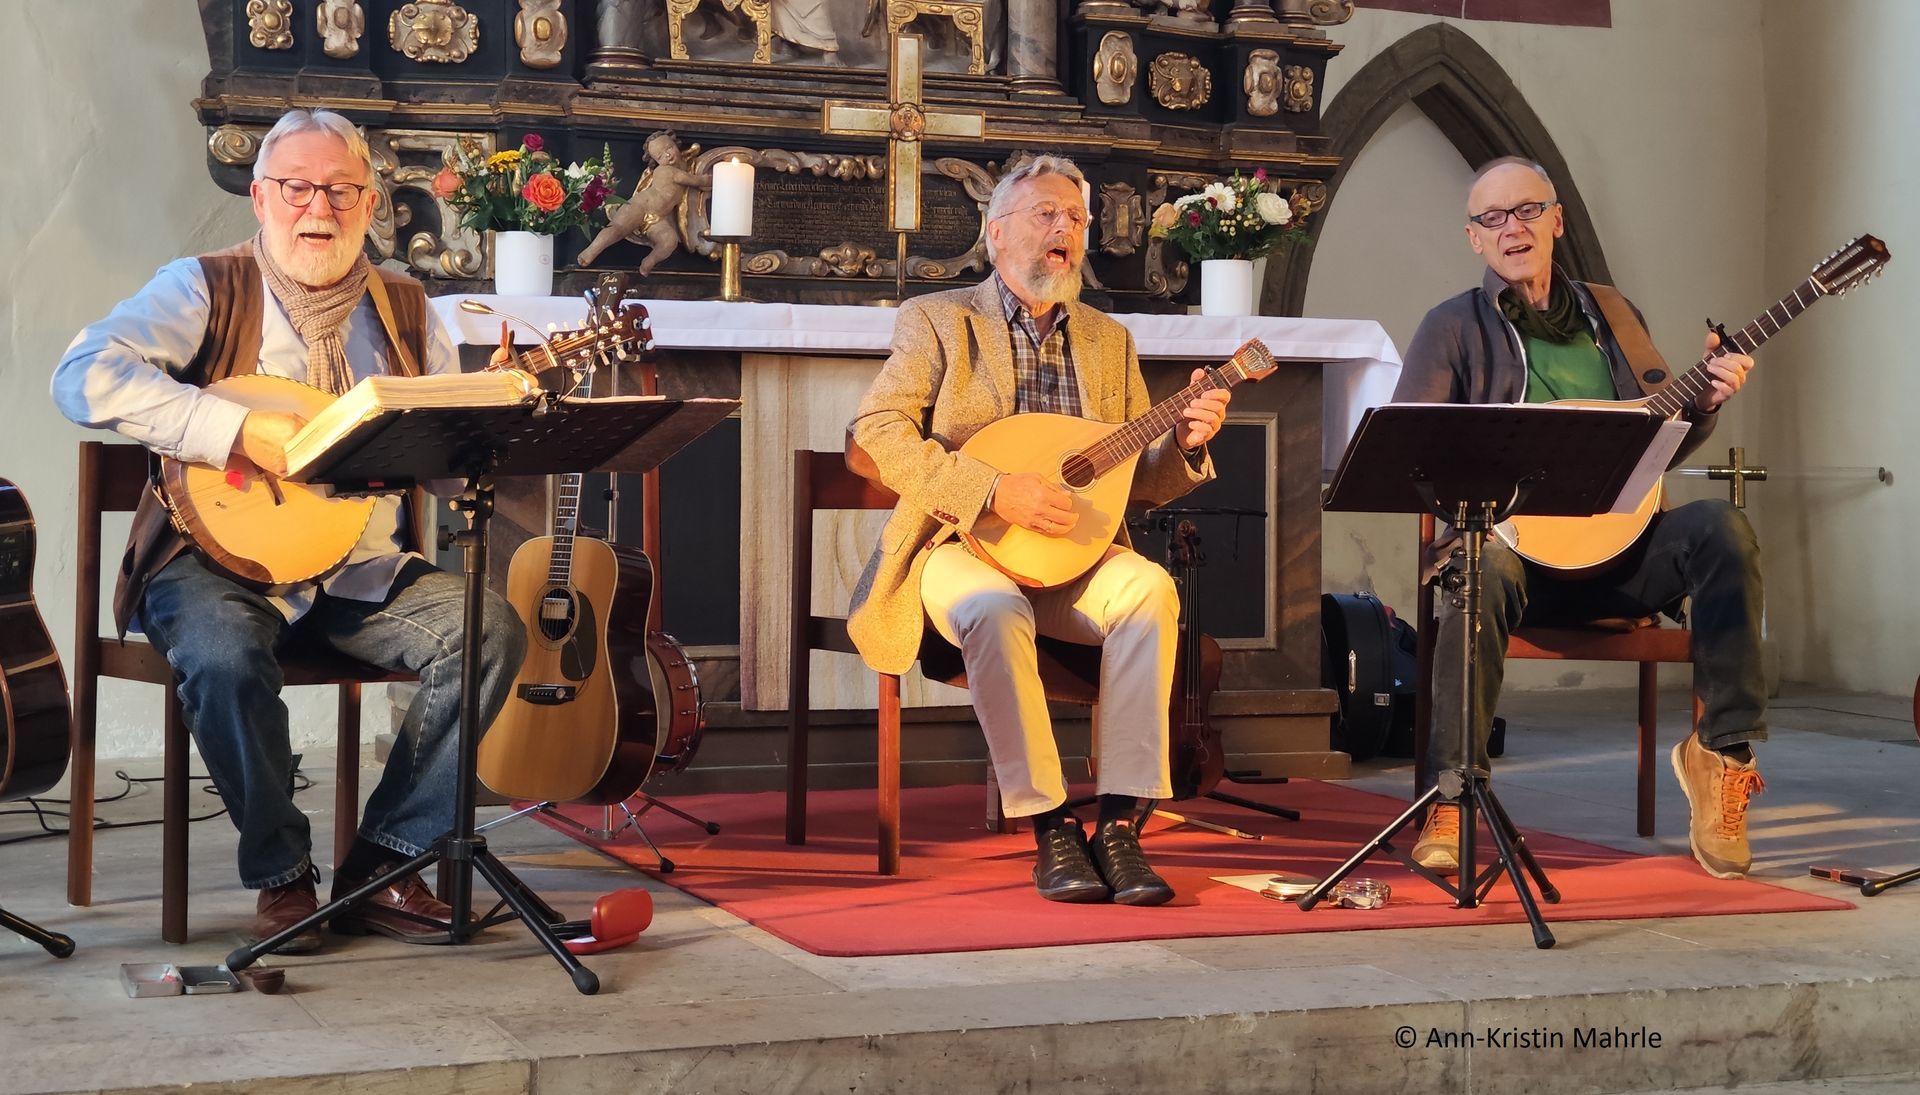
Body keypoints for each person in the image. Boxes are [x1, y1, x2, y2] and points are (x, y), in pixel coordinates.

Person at [51, 109, 529, 952]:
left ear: (372, 203)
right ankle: (282, 873)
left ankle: (385, 864)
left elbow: (449, 473)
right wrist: (236, 430)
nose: (319, 208)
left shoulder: (409, 310)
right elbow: (82, 373)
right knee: (224, 654)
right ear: (260, 197)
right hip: (214, 561)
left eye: (341, 191)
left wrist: (490, 416)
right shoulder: (204, 286)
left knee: (489, 629)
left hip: (357, 569)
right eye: (297, 187)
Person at [846, 155, 1231, 905]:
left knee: (1149, 589)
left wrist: (1185, 444)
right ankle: (1051, 827)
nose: (1066, 229)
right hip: (958, 546)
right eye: (1047, 213)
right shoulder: (939, 319)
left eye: (1077, 218)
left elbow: (1132, 479)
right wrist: (993, 489)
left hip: (1074, 559)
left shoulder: (1108, 340)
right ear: (996, 233)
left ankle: (1120, 825)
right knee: (993, 606)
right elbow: (878, 430)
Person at [1393, 156, 1764, 880]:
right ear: (1475, 238)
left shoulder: (1614, 316)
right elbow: (1414, 450)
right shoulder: (1452, 326)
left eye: (1527, 210)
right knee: (1476, 568)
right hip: (1515, 562)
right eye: (1493, 218)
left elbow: (1660, 436)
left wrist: (1704, 402)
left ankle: (1722, 756)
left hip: (1622, 556)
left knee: (1724, 529)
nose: (1512, 228)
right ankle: (1455, 795)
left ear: (1556, 220)